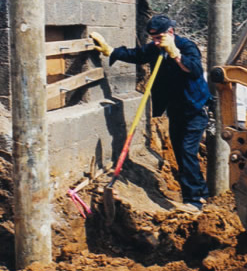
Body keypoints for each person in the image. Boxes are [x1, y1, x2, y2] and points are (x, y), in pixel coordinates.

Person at [90, 15, 211, 211]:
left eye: (159, 38)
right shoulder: (155, 49)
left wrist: (175, 53)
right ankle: (200, 192)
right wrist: (111, 51)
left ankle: (195, 201)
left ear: (171, 33)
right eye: (152, 38)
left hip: (195, 109)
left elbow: (195, 70)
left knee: (188, 151)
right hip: (175, 109)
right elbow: (136, 55)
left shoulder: (186, 46)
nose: (155, 42)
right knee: (180, 153)